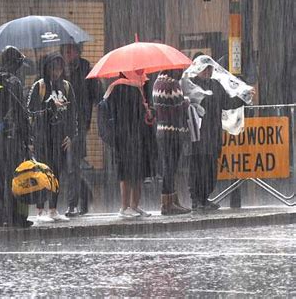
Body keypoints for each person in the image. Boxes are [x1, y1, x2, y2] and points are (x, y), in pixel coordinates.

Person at [181, 55, 254, 211]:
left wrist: (244, 97)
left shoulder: (215, 85)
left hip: (213, 133)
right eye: (204, 68)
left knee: (210, 168)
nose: (207, 71)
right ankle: (196, 199)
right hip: (196, 135)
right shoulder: (189, 84)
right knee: (197, 167)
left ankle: (205, 198)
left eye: (210, 68)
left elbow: (227, 103)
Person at [27, 52, 77, 222]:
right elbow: (30, 112)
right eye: (53, 68)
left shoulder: (67, 87)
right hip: (43, 137)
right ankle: (40, 210)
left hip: (60, 138)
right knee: (42, 173)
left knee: (56, 173)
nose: (57, 72)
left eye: (60, 68)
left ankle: (53, 209)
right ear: (47, 68)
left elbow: (73, 114)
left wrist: (71, 135)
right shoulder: (39, 86)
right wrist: (49, 107)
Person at [0, 46, 32, 227]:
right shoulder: (14, 82)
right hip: (12, 137)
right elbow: (20, 113)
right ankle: (15, 215)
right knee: (15, 176)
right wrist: (27, 138)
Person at [60, 43, 102, 217]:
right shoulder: (58, 69)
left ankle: (73, 204)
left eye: (71, 51)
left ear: (78, 52)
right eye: (65, 52)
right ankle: (85, 194)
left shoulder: (87, 71)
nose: (68, 54)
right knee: (66, 166)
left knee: (72, 165)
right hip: (60, 125)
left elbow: (98, 96)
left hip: (79, 125)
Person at [105, 71, 153, 219]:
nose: (141, 71)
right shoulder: (118, 87)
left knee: (139, 172)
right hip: (125, 136)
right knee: (126, 172)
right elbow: (116, 113)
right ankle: (124, 207)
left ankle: (135, 205)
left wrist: (149, 112)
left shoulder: (143, 85)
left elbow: (148, 110)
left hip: (141, 136)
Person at [152, 69, 191, 215]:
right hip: (174, 130)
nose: (182, 72)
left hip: (162, 130)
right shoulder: (172, 84)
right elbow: (179, 107)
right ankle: (168, 204)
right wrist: (187, 101)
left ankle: (172, 200)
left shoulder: (157, 82)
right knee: (171, 168)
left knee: (168, 166)